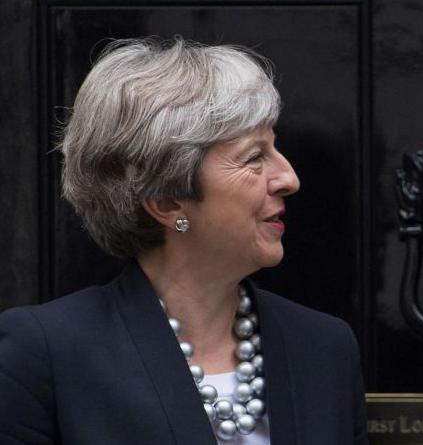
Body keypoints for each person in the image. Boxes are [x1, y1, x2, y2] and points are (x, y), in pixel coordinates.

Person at [0, 38, 369, 444]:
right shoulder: (48, 352)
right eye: (254, 157)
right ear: (167, 200)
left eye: (274, 147)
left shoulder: (324, 348)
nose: (289, 178)